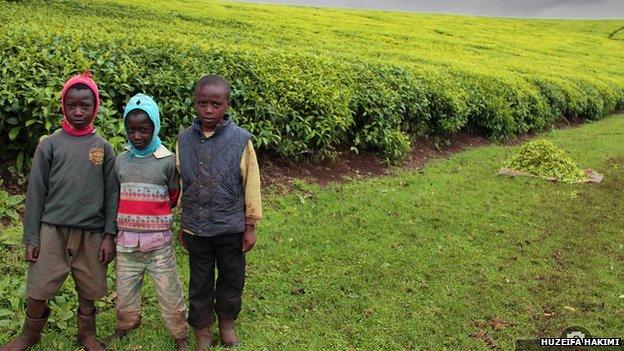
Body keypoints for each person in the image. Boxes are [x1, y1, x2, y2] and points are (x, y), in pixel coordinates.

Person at [1, 72, 118, 351]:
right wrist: (32, 237)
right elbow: (36, 193)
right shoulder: (49, 145)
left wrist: (109, 235)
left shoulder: (103, 148)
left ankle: (87, 334)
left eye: (85, 106)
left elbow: (113, 193)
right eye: (72, 105)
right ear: (63, 106)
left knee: (89, 286)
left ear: (96, 107)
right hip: (51, 229)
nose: (78, 112)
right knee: (39, 285)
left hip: (91, 232)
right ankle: (29, 335)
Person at [177, 75, 262, 350]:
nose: (208, 110)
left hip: (230, 228)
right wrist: (183, 224)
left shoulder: (240, 141)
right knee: (199, 281)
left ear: (227, 105)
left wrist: (250, 226)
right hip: (197, 228)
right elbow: (183, 184)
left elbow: (251, 183)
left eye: (216, 104)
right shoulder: (184, 140)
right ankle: (203, 330)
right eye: (202, 103)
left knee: (231, 277)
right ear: (195, 104)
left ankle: (226, 323)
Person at [108, 93, 189, 350]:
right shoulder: (121, 161)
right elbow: (114, 196)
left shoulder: (167, 161)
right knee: (125, 292)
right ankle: (126, 324)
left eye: (144, 130)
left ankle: (180, 335)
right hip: (126, 244)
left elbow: (174, 194)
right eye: (131, 130)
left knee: (170, 292)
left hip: (159, 245)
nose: (137, 136)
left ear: (155, 126)